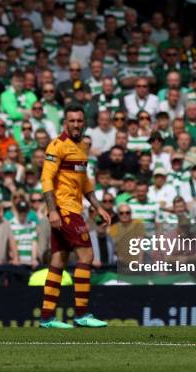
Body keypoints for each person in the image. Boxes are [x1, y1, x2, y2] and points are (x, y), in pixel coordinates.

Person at [39, 104, 111, 329]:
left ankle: (47, 317)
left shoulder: (82, 146)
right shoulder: (57, 145)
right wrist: (52, 210)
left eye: (79, 121)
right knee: (87, 256)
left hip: (72, 208)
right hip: (64, 210)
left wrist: (98, 207)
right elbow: (46, 180)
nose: (76, 124)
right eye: (72, 121)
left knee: (59, 260)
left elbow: (84, 182)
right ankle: (81, 314)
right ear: (65, 123)